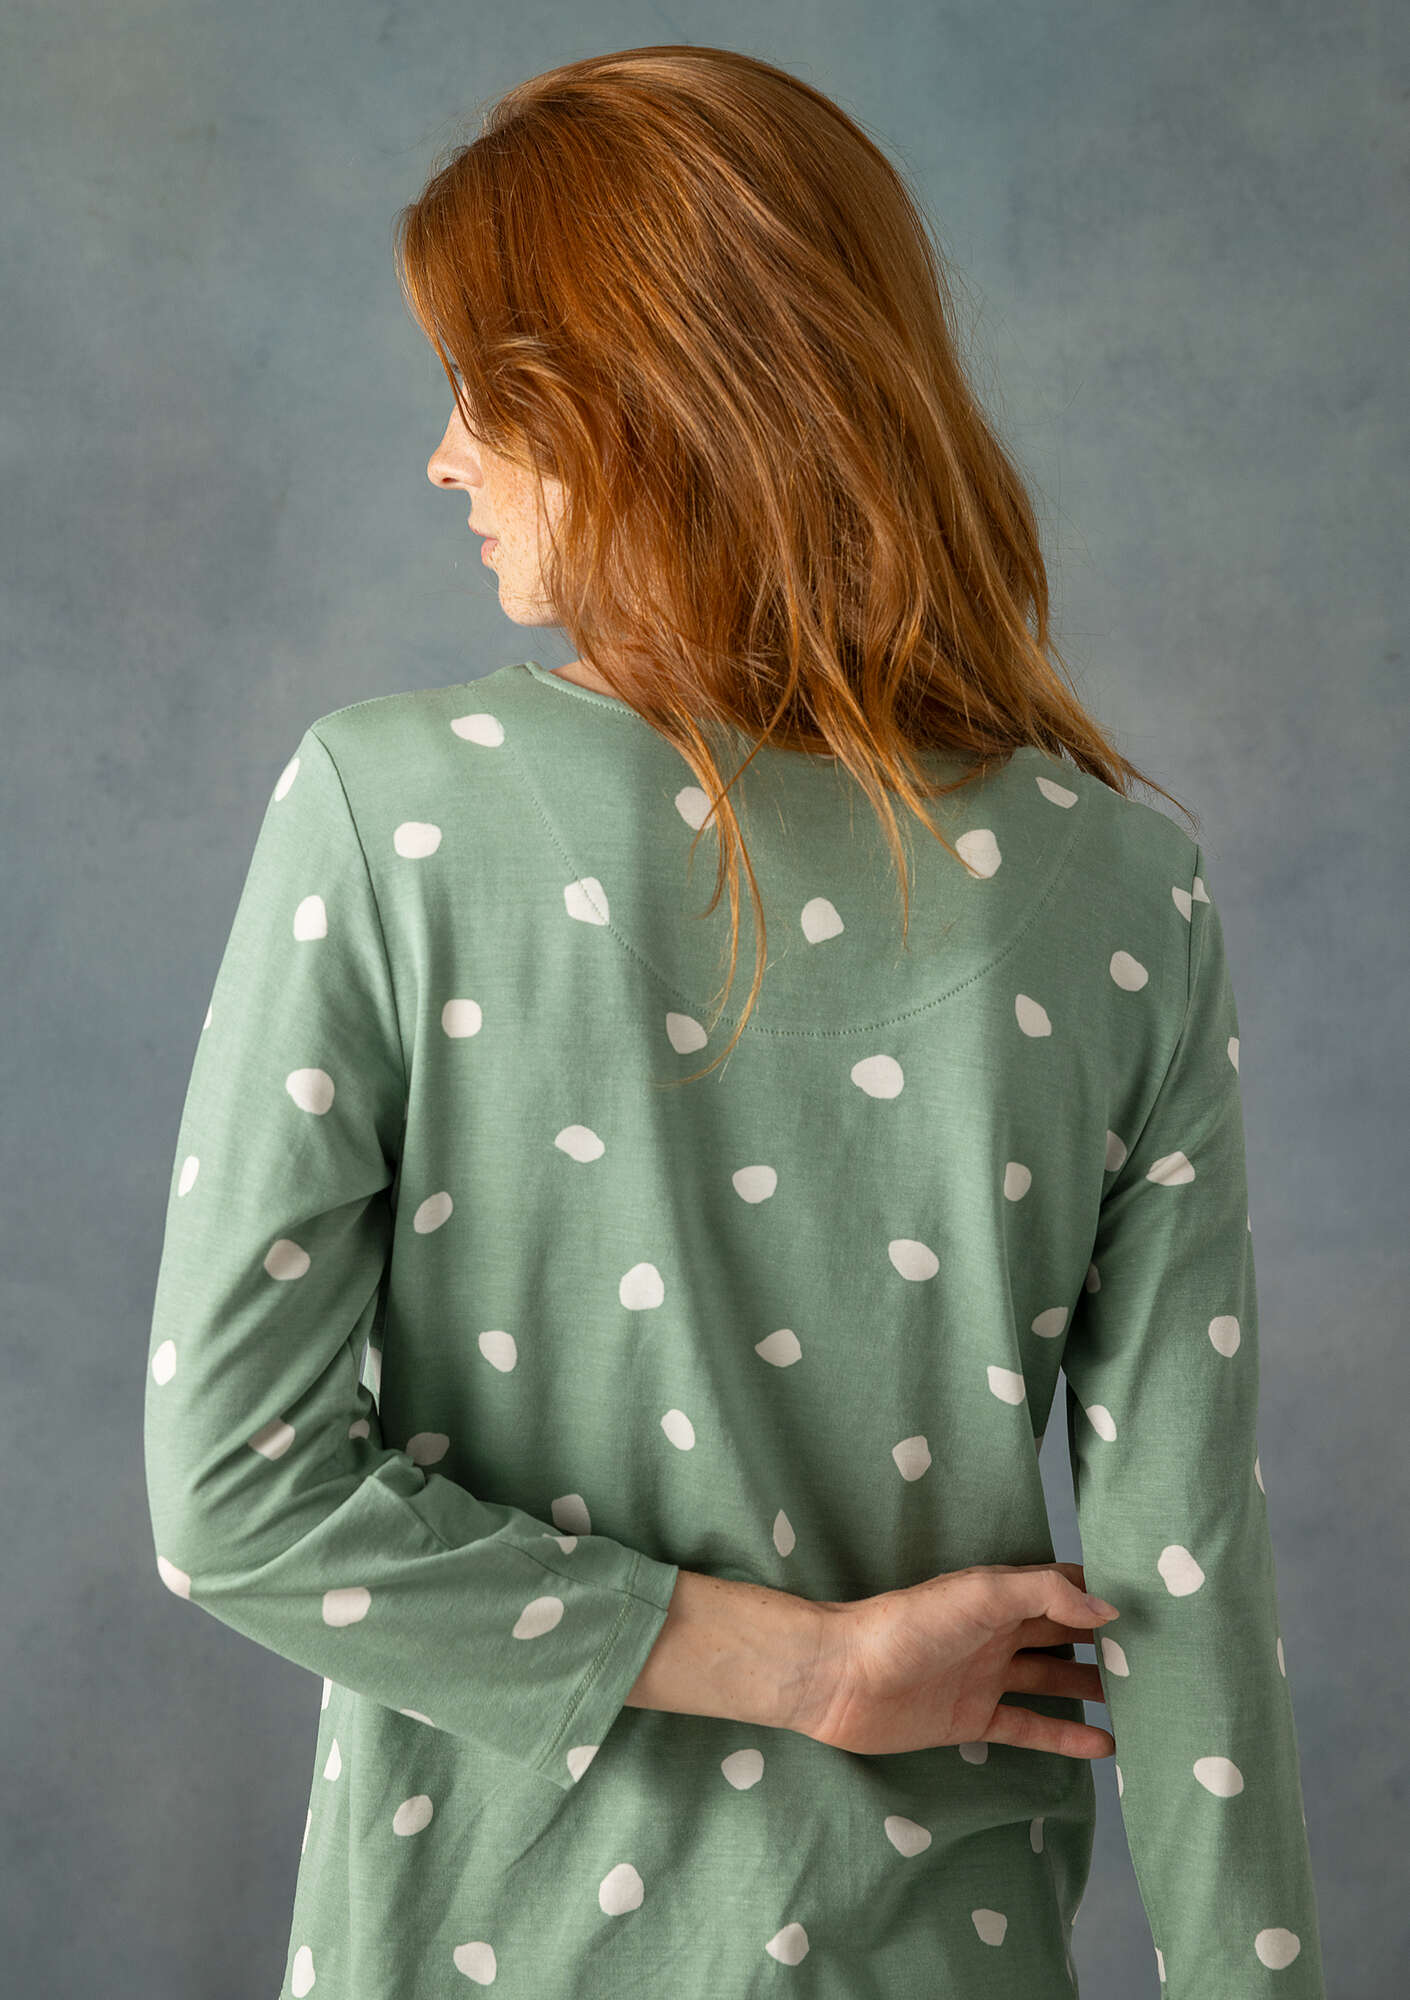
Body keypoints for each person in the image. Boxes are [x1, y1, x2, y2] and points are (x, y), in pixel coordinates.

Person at [142, 43, 1326, 2000]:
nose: (443, 461)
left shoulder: (387, 811)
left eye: (479, 394)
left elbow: (238, 1503)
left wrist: (805, 1670)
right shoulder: (1125, 888)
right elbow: (1182, 1582)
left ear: (627, 400)